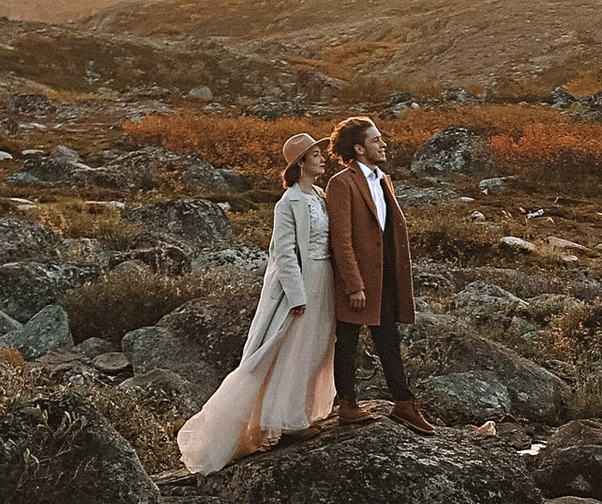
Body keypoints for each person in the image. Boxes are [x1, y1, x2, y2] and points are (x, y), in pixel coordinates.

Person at [175, 132, 337, 472]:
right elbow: (283, 253)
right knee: (289, 347)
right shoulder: (287, 202)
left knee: (315, 345)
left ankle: (302, 412)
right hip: (305, 282)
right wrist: (296, 294)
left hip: (326, 279)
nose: (323, 158)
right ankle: (288, 419)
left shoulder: (320, 196)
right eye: (315, 155)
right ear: (301, 164)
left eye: (321, 153)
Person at [323, 113, 431, 429]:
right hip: (357, 280)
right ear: (358, 149)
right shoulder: (341, 183)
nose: (383, 143)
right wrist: (354, 285)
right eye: (376, 139)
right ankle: (347, 404)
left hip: (385, 278)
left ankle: (403, 402)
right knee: (347, 341)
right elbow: (340, 239)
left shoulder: (383, 179)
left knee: (389, 339)